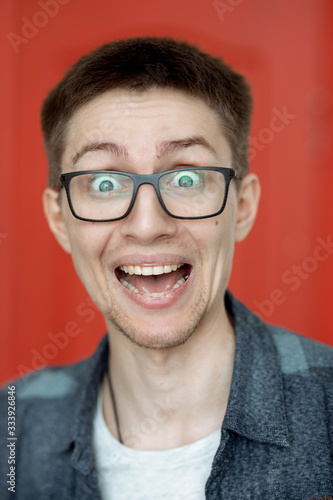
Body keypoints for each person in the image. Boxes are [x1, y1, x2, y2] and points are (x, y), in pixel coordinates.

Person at [1, 37, 333, 500]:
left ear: (243, 206)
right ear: (60, 220)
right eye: (103, 181)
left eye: (186, 177)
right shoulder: (11, 428)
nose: (147, 224)